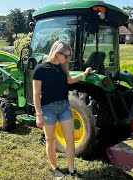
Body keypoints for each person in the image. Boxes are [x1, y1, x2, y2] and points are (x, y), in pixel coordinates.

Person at [33, 40, 92, 179]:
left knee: (70, 139)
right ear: (57, 53)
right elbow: (36, 94)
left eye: (69, 56)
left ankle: (71, 169)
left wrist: (84, 74)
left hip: (64, 106)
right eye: (66, 56)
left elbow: (70, 81)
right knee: (50, 139)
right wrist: (38, 114)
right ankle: (55, 168)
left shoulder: (62, 68)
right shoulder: (40, 69)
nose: (67, 59)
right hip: (48, 109)